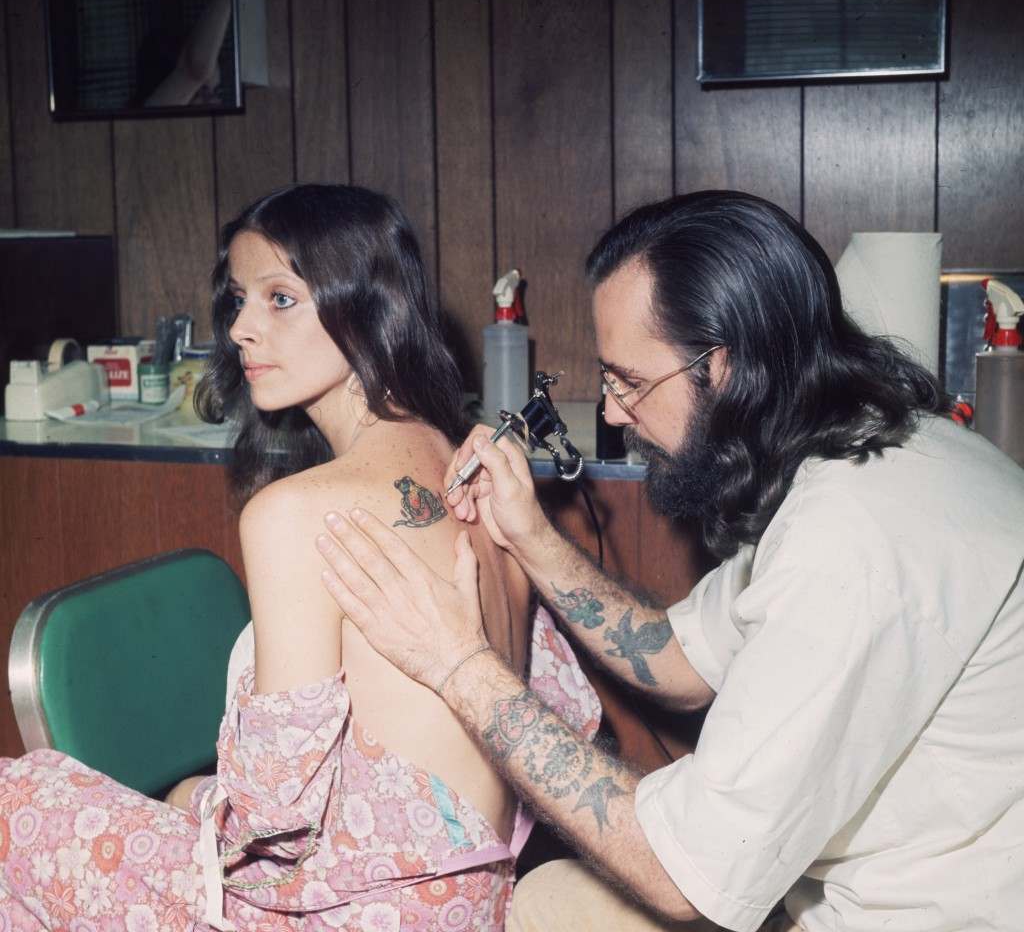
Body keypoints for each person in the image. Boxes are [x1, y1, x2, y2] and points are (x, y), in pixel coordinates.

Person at [313, 190, 1024, 932]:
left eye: (628, 381)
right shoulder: (878, 445)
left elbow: (681, 877)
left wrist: (457, 664)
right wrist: (534, 540)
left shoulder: (856, 540)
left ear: (721, 366)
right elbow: (681, 661)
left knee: (543, 906)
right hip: (877, 883)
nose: (614, 412)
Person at [0, 184, 600, 931]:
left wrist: (193, 800)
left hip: (345, 914)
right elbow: (556, 719)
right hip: (472, 903)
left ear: (367, 307)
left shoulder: (294, 512)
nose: (242, 330)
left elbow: (271, 818)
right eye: (238, 300)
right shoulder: (482, 475)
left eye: (280, 299)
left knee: (14, 801)